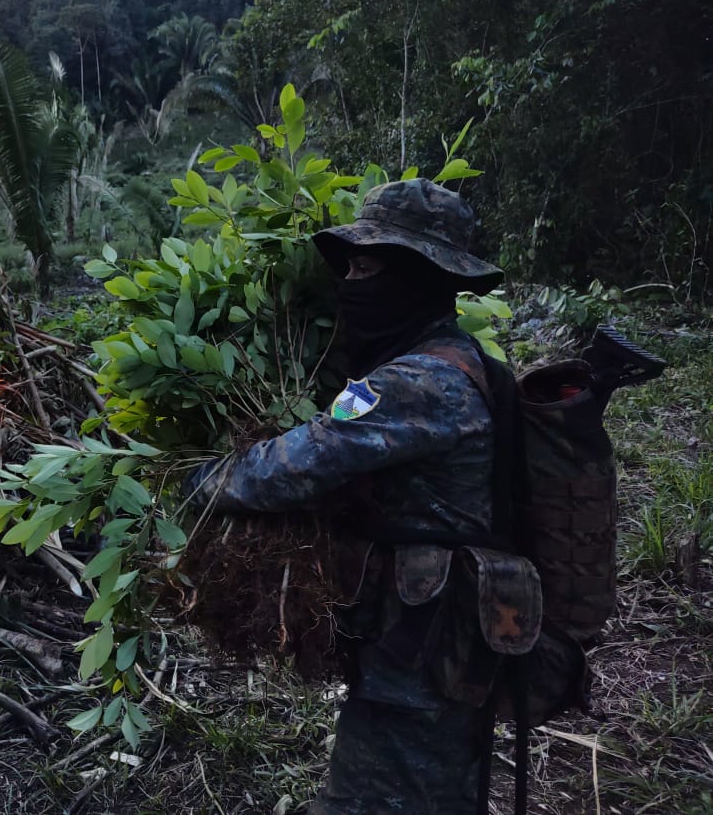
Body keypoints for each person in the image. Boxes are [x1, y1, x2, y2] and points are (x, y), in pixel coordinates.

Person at [188, 178, 541, 814]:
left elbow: (297, 465)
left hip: (421, 659)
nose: (350, 282)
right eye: (348, 267)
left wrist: (199, 480)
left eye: (366, 267)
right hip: (433, 646)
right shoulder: (451, 358)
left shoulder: (416, 382)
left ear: (416, 276)